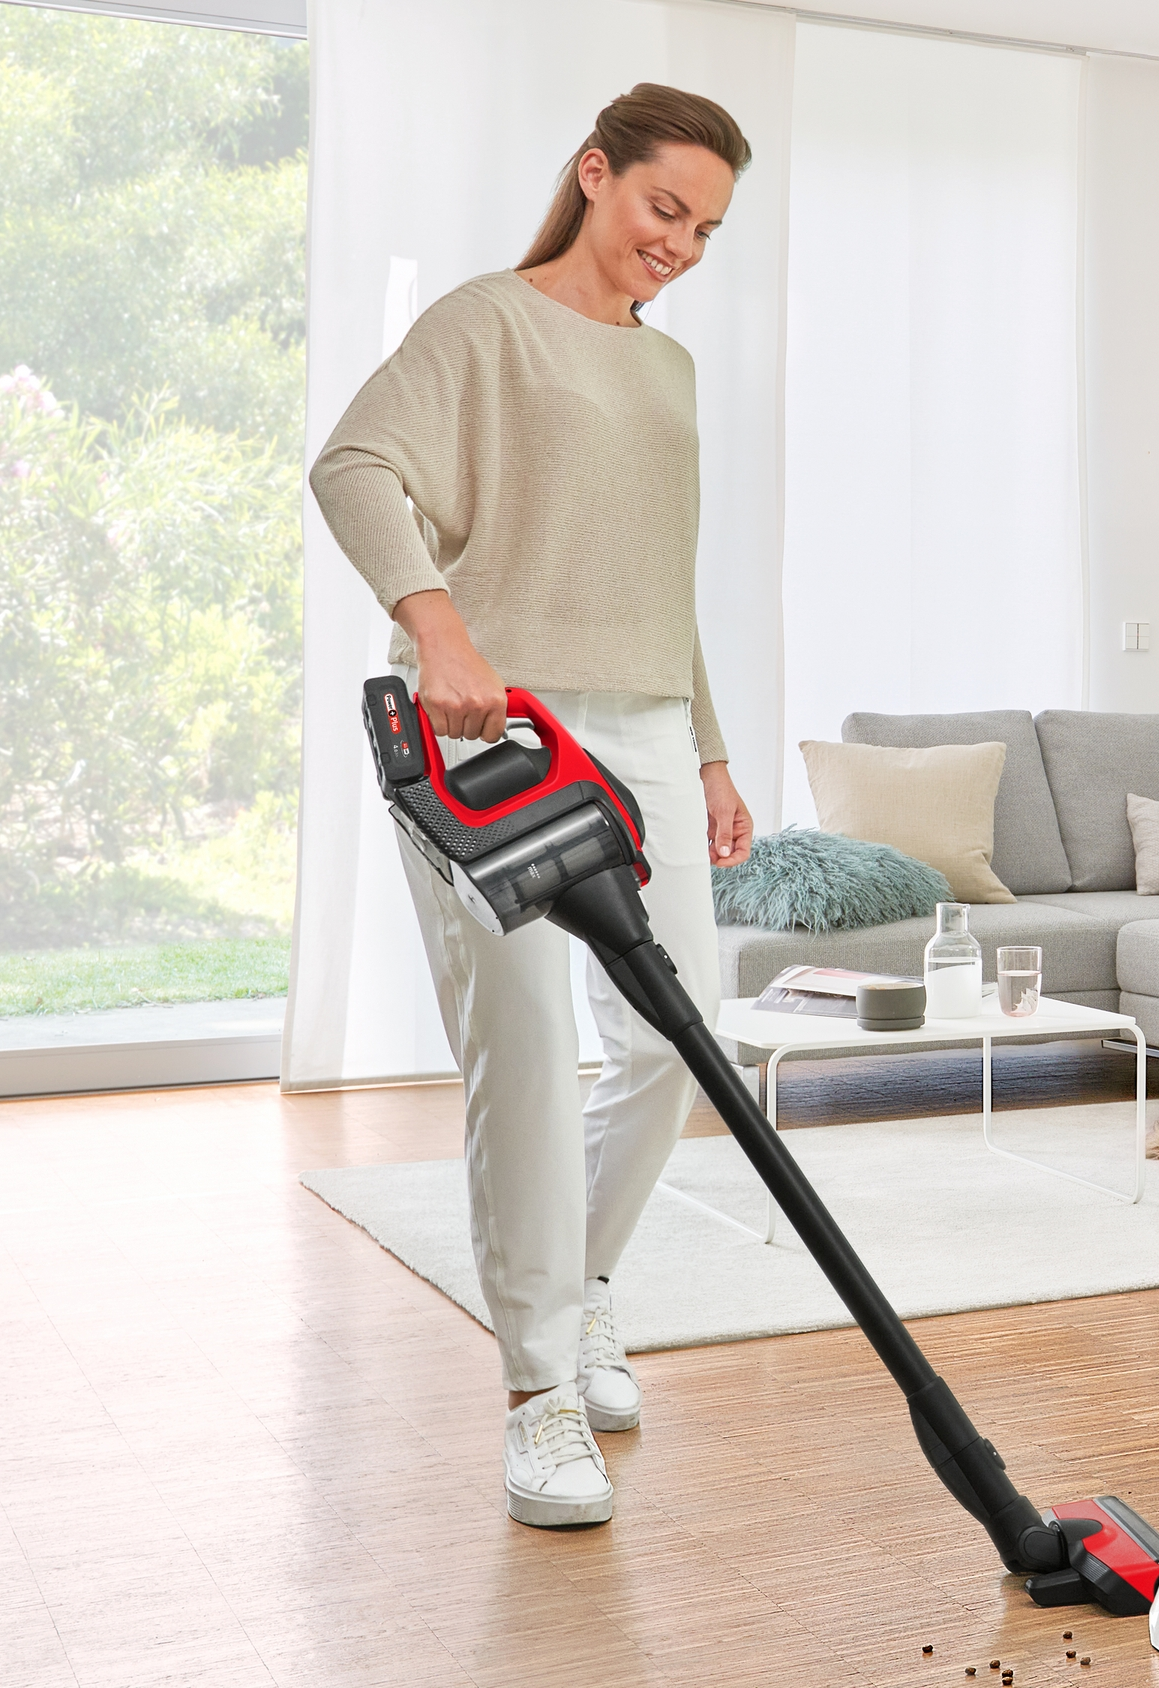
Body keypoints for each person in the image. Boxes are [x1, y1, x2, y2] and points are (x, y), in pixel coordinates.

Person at [311, 84, 756, 1529]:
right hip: (491, 736)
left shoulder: (671, 372)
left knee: (679, 1040)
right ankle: (537, 1395)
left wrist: (708, 750)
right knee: (522, 1047)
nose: (679, 243)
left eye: (706, 226)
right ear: (595, 175)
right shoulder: (482, 324)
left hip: (639, 729)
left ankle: (584, 1293)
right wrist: (439, 627)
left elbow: (663, 581)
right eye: (662, 207)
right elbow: (355, 465)